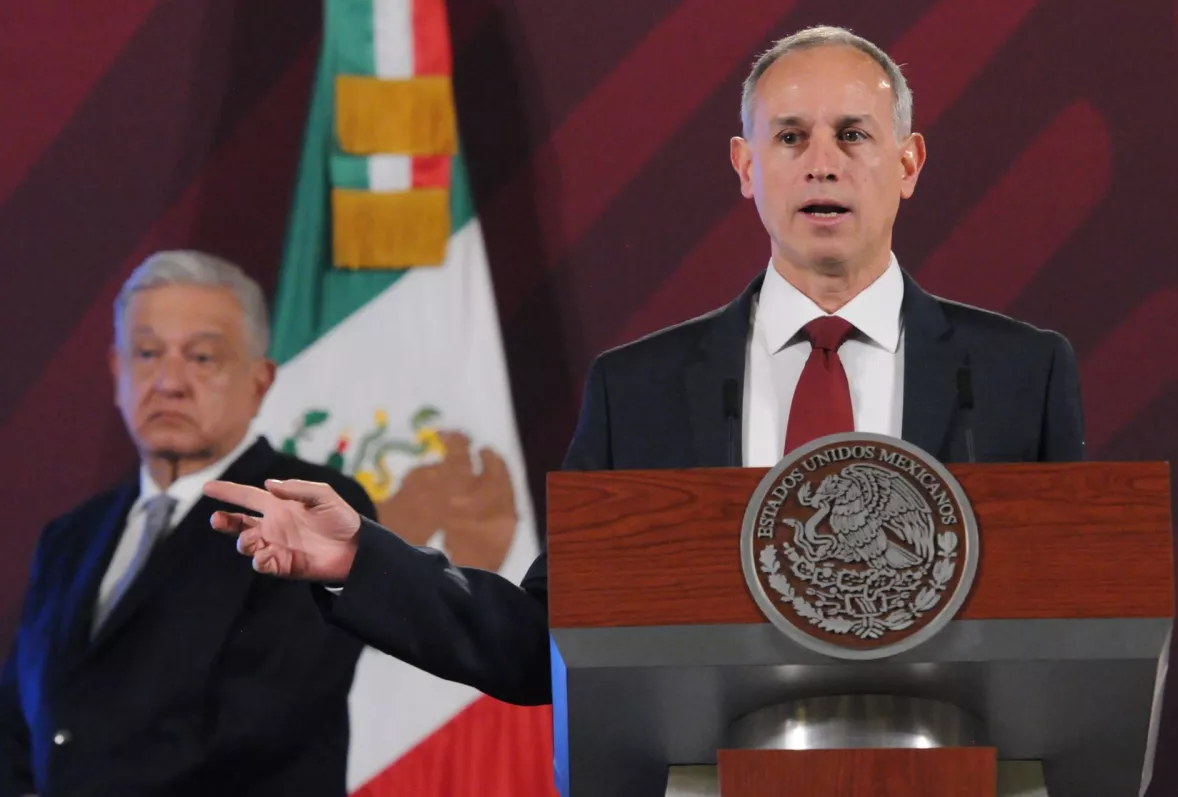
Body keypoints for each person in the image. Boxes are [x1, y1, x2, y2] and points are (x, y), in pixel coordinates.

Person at [206, 23, 1085, 712]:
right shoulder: (644, 391)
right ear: (746, 167)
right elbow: (549, 640)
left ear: (907, 162)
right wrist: (364, 559)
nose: (821, 160)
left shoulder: (1019, 376)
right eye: (789, 137)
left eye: (853, 133)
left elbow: (1082, 627)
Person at [0, 251, 377, 797]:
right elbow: (18, 720)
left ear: (259, 380)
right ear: (117, 371)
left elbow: (264, 722)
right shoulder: (70, 537)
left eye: (202, 358)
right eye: (147, 353)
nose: (168, 382)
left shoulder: (304, 508)